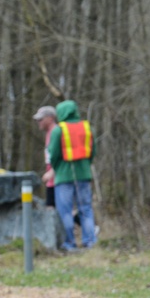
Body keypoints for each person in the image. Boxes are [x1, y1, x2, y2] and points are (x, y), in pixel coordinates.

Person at [47, 99, 97, 251]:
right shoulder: (87, 128)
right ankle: (90, 241)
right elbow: (93, 152)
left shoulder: (58, 130)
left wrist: (56, 168)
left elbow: (53, 154)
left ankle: (69, 243)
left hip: (63, 176)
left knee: (65, 211)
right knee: (86, 209)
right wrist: (85, 166)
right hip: (84, 174)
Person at [32, 106, 58, 208]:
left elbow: (62, 156)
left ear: (50, 118)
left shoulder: (56, 132)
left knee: (60, 210)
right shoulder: (49, 133)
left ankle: (89, 224)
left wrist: (52, 172)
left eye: (41, 119)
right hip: (51, 181)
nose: (39, 122)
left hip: (58, 180)